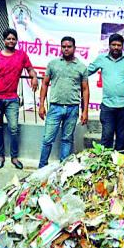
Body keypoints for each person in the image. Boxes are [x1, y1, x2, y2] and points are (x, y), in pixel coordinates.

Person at [0, 28, 38, 170]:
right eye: (8, 38)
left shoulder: (21, 55)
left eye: (13, 39)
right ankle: (0, 156)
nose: (11, 41)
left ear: (16, 41)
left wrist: (34, 77)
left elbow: (30, 68)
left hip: (12, 99)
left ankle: (14, 157)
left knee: (13, 128)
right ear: (4, 40)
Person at [38, 36, 89, 168]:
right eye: (64, 46)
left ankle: (63, 168)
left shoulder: (81, 67)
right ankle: (42, 167)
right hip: (55, 108)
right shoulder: (53, 64)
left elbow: (85, 90)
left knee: (67, 140)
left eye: (69, 47)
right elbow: (44, 84)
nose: (66, 49)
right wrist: (41, 105)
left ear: (74, 48)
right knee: (47, 139)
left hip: (72, 109)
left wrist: (85, 111)